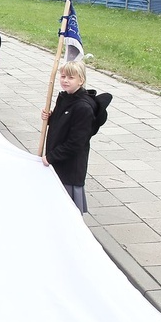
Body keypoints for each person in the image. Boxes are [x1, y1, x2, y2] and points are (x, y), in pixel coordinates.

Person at [40, 60, 97, 214]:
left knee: (68, 209)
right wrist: (50, 118)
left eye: (71, 78)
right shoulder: (64, 97)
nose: (65, 80)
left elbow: (76, 143)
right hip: (57, 162)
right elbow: (63, 124)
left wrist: (51, 157)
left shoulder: (83, 107)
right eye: (63, 76)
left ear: (81, 80)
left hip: (70, 167)